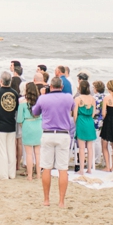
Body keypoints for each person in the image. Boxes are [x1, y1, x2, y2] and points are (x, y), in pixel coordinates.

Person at [31, 76, 74, 208]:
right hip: (63, 134)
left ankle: (46, 199)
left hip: (48, 133)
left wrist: (42, 95)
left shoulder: (44, 98)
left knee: (46, 167)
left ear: (50, 86)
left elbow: (35, 112)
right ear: (61, 86)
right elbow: (72, 108)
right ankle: (61, 201)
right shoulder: (68, 97)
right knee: (62, 169)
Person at [16, 82, 43, 180]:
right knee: (38, 153)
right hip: (38, 126)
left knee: (29, 153)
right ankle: (39, 175)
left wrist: (24, 126)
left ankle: (30, 175)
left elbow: (19, 119)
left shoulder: (23, 103)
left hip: (27, 125)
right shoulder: (39, 102)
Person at [74, 80, 98, 174]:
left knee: (81, 148)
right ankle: (89, 169)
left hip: (81, 121)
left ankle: (81, 169)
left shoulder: (78, 99)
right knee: (90, 147)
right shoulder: (92, 99)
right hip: (89, 122)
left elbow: (75, 114)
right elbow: (93, 113)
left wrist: (77, 123)